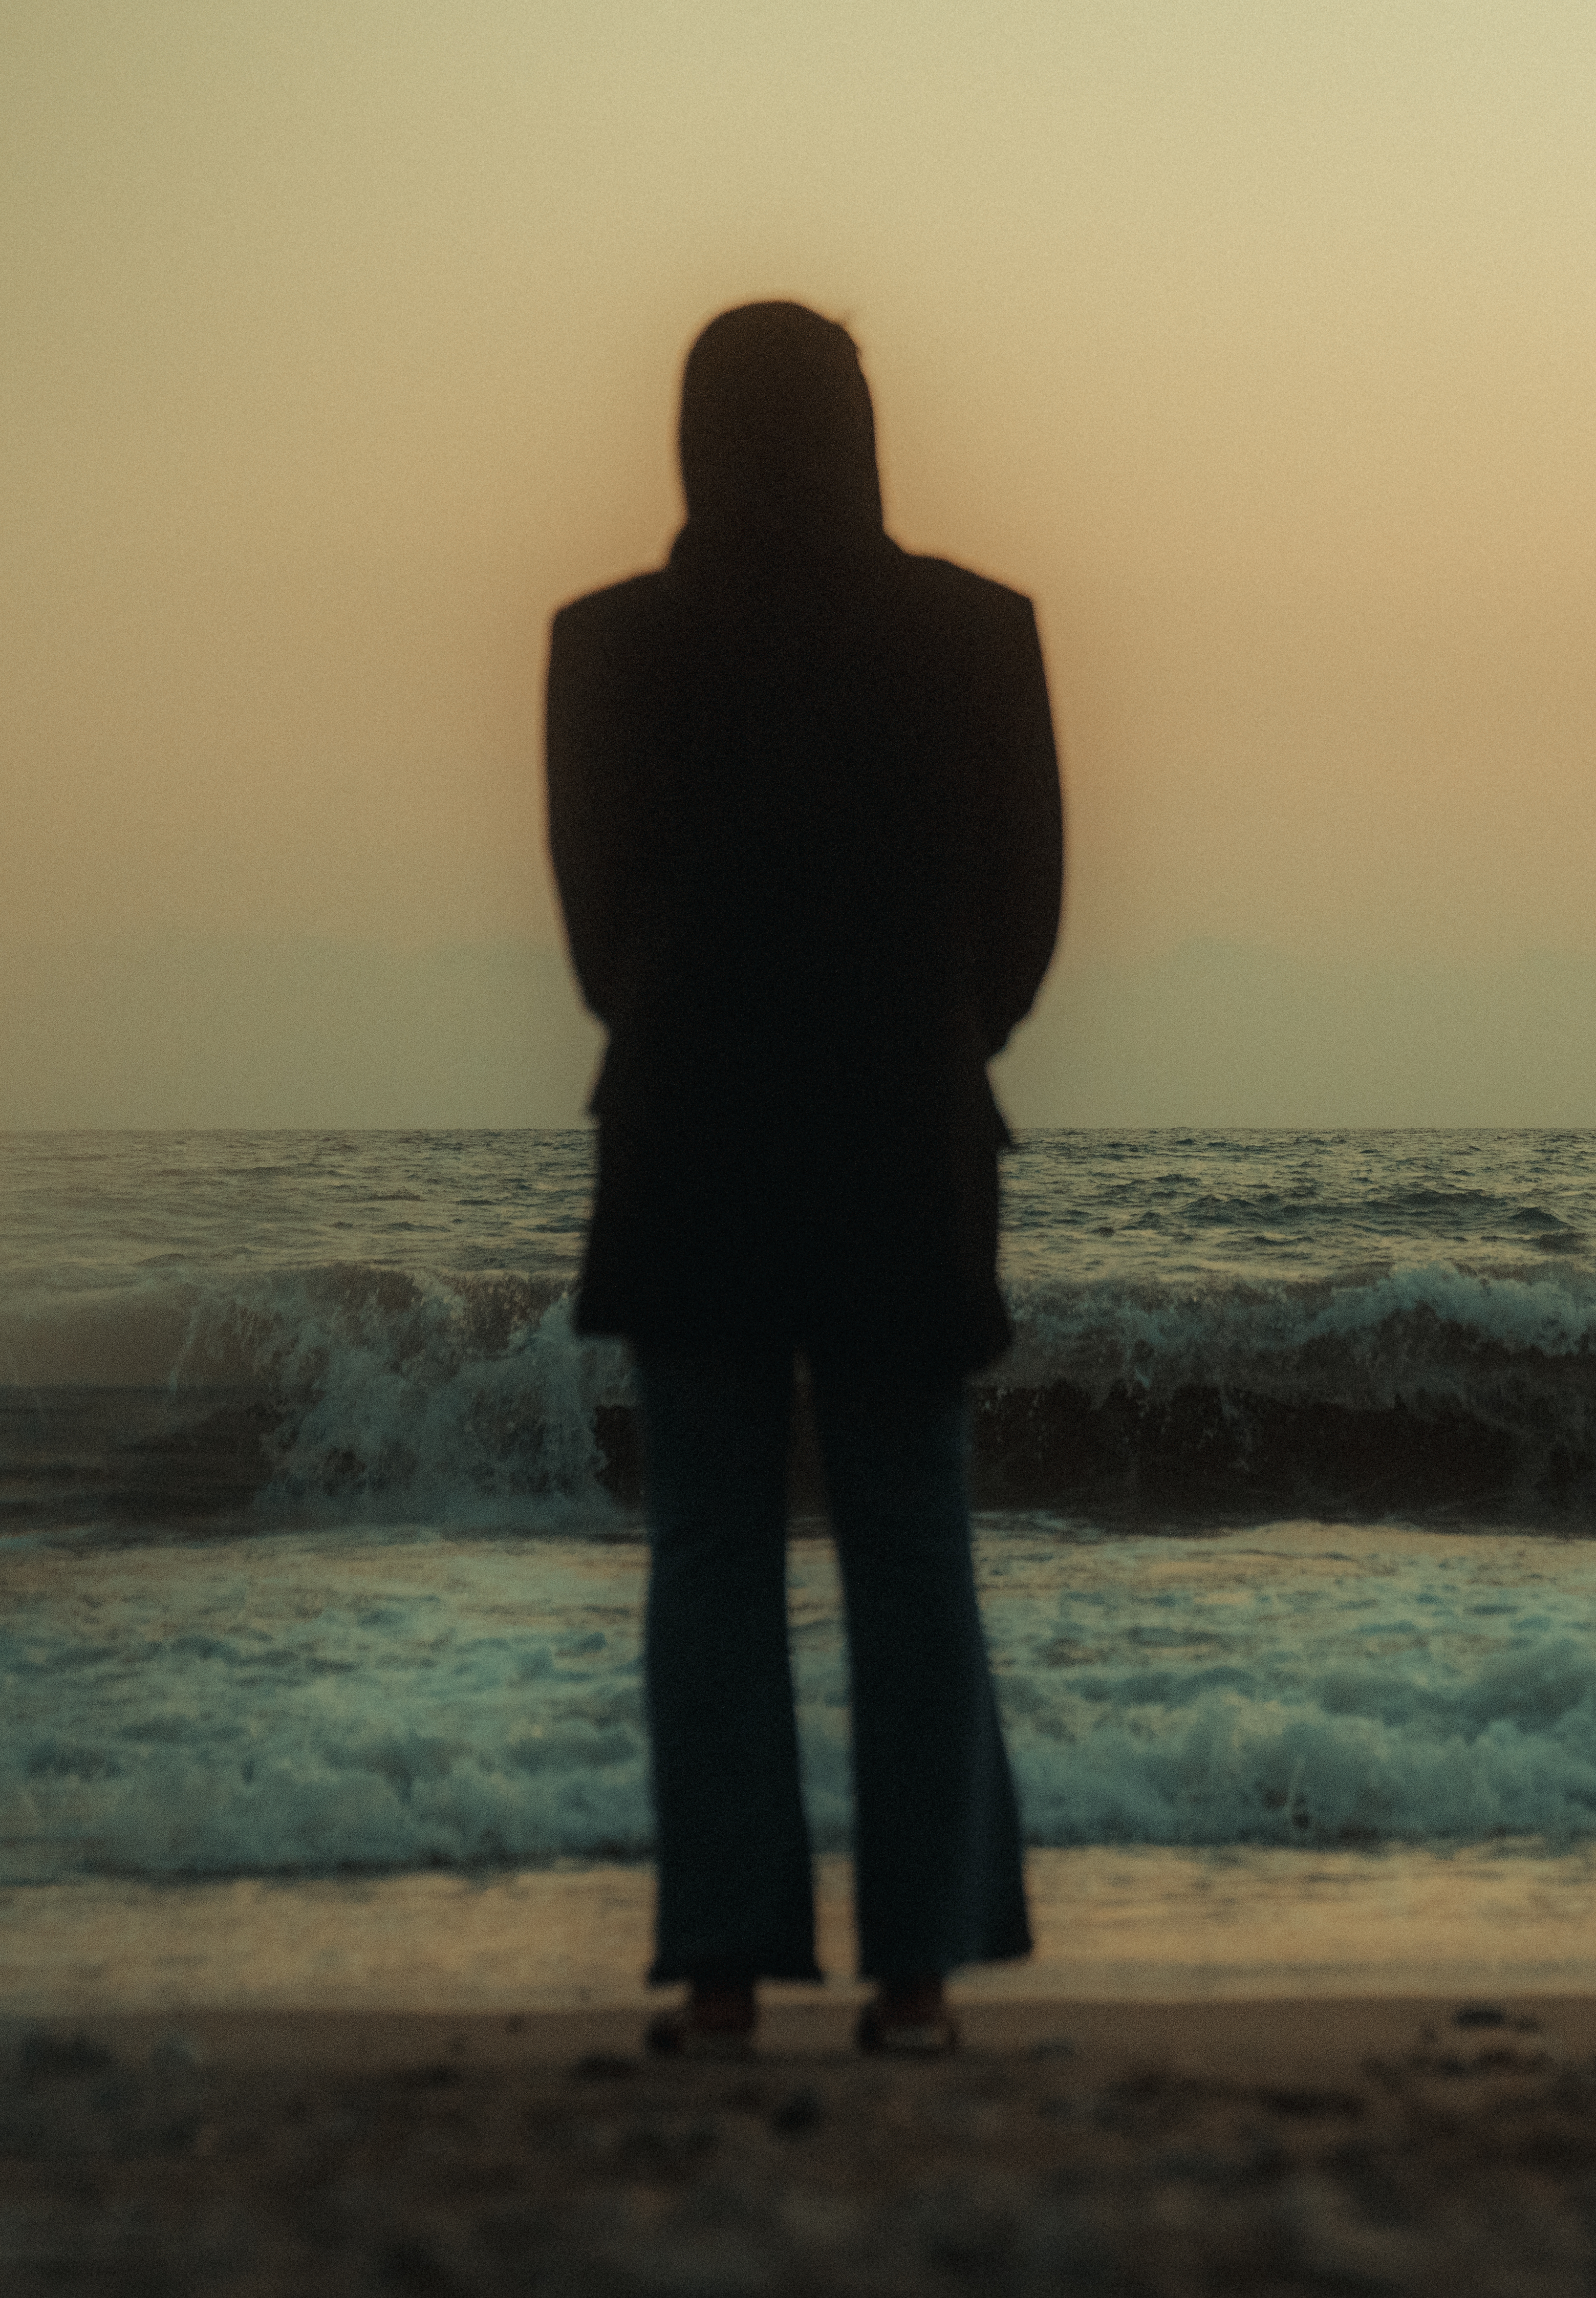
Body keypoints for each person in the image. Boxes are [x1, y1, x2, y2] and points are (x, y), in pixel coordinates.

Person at [545, 300, 1063, 2062]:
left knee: (709, 1553)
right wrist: (929, 1036)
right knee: (912, 1544)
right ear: (861, 429)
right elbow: (1027, 918)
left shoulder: (609, 645)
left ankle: (722, 1972)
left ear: (694, 433)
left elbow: (596, 932)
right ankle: (917, 1978)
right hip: (901, 1137)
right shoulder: (976, 633)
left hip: (690, 1132)